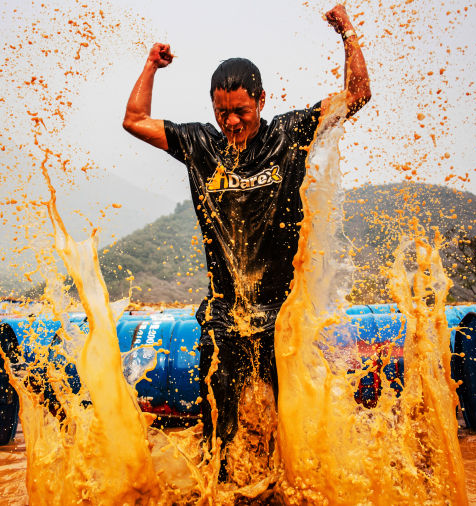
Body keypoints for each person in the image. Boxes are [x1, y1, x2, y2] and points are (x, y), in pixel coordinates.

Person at [123, 4, 370, 479]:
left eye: (240, 111)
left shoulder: (290, 133)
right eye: (222, 113)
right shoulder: (201, 144)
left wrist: (347, 33)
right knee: (220, 430)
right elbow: (135, 120)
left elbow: (358, 94)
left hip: (283, 317)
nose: (231, 123)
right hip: (224, 314)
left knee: (289, 429)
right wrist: (151, 65)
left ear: (260, 100)